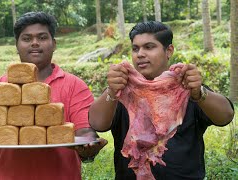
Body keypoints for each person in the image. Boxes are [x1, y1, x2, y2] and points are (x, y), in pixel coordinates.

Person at [0, 12, 107, 180]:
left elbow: (84, 132)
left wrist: (89, 146)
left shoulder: (75, 85)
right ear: (16, 45)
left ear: (54, 44)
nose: (35, 43)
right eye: (27, 38)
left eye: (42, 37)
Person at [88, 21, 235, 180]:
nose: (140, 54)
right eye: (135, 48)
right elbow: (97, 124)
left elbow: (226, 116)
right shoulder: (122, 91)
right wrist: (111, 91)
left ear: (169, 50)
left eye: (149, 47)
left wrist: (199, 93)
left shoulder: (187, 89)